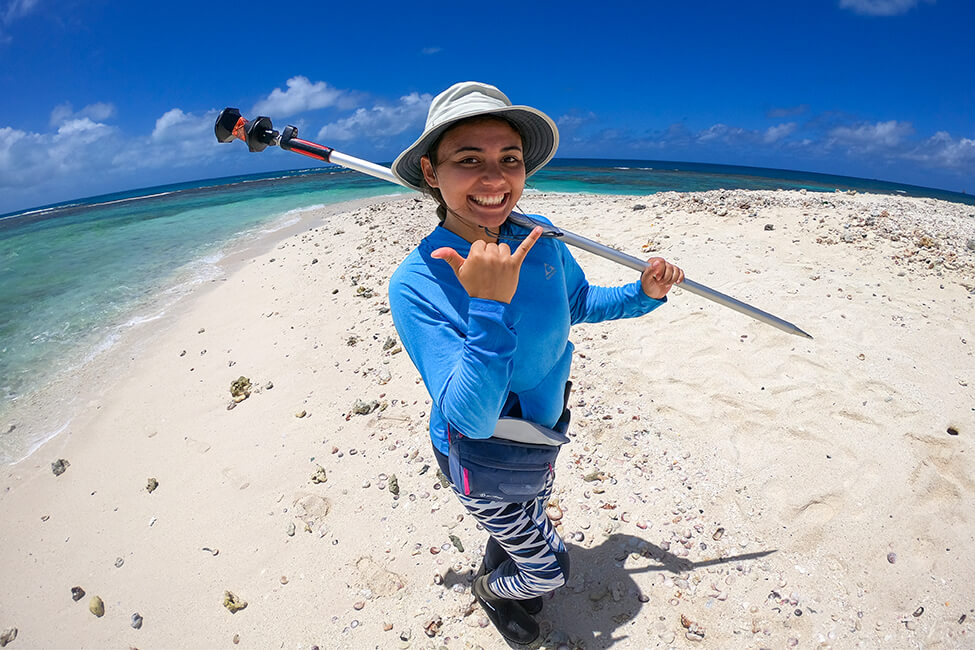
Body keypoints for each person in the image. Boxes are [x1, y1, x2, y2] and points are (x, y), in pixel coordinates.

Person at [388, 82, 683, 646]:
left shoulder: (541, 240)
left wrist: (642, 293)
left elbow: (576, 304)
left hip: (544, 432)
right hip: (479, 455)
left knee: (532, 507)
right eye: (469, 160)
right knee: (549, 570)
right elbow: (469, 416)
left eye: (509, 160)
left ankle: (502, 554)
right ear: (431, 172)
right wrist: (489, 305)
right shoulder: (417, 283)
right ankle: (489, 589)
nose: (495, 180)